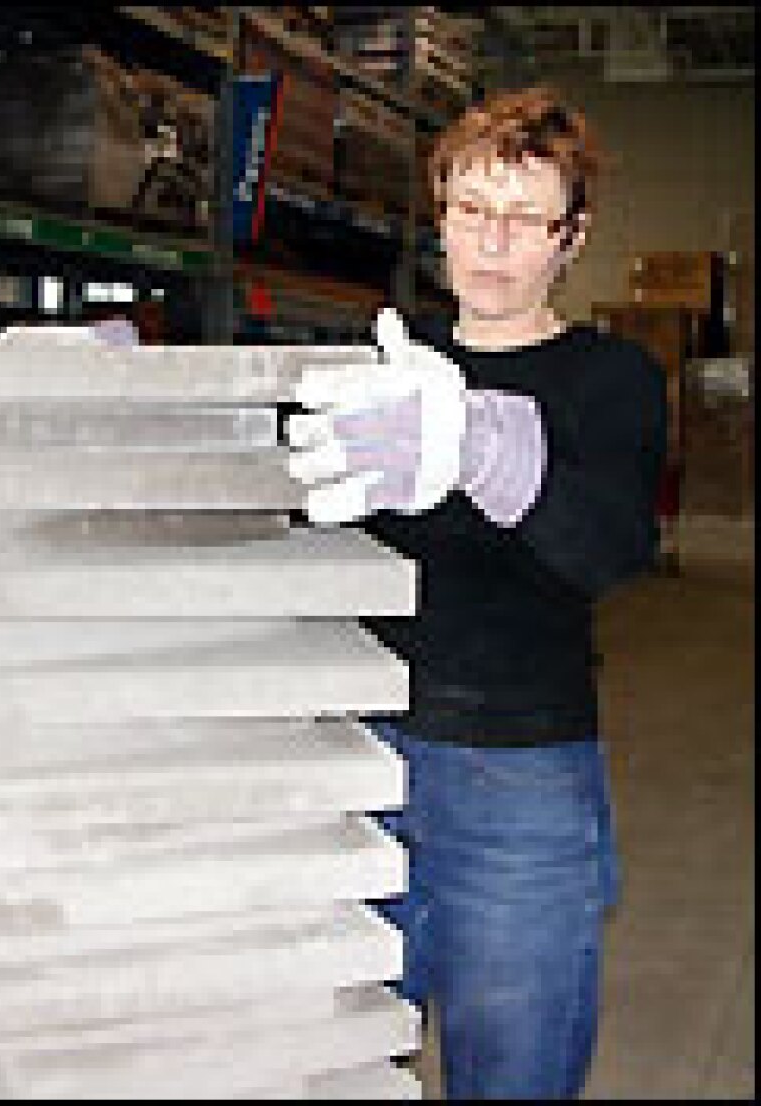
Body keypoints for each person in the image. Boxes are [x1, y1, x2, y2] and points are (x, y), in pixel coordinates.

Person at [287, 85, 667, 1099]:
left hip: (519, 781)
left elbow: (611, 546)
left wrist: (485, 452)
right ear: (440, 215)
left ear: (569, 236)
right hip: (352, 765)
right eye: (469, 210)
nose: (491, 243)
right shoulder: (383, 364)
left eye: (524, 217)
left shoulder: (610, 378)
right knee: (330, 1064)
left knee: (512, 1077)